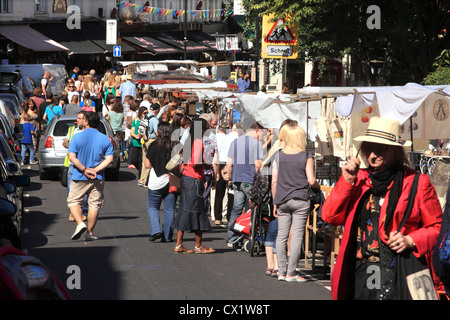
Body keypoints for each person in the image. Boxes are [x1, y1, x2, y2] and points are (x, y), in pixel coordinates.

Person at [321, 116, 443, 300]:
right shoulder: (359, 179)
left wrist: (411, 240)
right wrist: (346, 180)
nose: (372, 155)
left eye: (381, 149)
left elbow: (438, 228)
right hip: (363, 269)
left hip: (402, 269)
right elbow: (329, 216)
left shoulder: (417, 182)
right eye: (368, 148)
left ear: (395, 151)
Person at [271, 124, 319, 282]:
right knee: (297, 236)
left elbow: (274, 181)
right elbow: (311, 180)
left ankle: (281, 272)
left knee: (281, 236)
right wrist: (318, 187)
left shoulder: (279, 156)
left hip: (282, 200)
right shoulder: (306, 156)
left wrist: (274, 202)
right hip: (300, 199)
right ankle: (291, 273)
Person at [67, 112, 114, 241]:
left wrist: (84, 170)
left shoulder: (77, 137)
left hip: (79, 176)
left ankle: (80, 223)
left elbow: (72, 157)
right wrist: (95, 170)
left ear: (86, 122)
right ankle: (90, 232)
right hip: (97, 177)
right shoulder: (105, 139)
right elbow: (109, 159)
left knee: (74, 201)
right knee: (94, 204)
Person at [173, 119, 215, 254]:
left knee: (186, 210)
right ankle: (198, 245)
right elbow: (196, 162)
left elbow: (187, 160)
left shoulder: (188, 141)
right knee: (197, 211)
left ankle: (180, 244)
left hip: (186, 178)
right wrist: (207, 163)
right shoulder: (197, 142)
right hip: (194, 179)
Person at [226, 122, 264, 245]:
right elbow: (258, 164)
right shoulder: (256, 144)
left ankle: (231, 238)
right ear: (257, 130)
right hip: (250, 180)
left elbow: (229, 164)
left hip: (237, 180)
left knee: (236, 209)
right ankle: (248, 236)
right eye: (262, 133)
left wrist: (230, 177)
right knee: (251, 210)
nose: (262, 137)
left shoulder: (235, 142)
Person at [144, 122, 177, 242]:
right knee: (169, 209)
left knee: (153, 207)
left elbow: (147, 165)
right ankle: (167, 236)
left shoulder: (154, 145)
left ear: (159, 132)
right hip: (172, 180)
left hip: (156, 180)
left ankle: (156, 230)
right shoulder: (176, 145)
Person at [63, 111, 88, 222]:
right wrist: (72, 146)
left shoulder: (88, 132)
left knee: (84, 190)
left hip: (84, 165)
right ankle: (73, 212)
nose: (77, 120)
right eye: (77, 118)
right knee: (71, 189)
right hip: (73, 165)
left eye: (79, 118)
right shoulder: (72, 130)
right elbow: (65, 142)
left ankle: (83, 211)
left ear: (85, 120)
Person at [138, 103, 160, 186]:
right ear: (157, 110)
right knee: (151, 161)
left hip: (144, 140)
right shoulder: (154, 119)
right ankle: (147, 181)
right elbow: (157, 132)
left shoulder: (145, 117)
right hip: (151, 140)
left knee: (144, 160)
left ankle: (142, 180)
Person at [129, 107, 147, 177]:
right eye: (144, 113)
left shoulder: (146, 121)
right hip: (136, 142)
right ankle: (141, 171)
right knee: (134, 160)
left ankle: (141, 176)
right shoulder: (136, 121)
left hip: (143, 143)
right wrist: (136, 136)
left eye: (146, 113)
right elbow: (132, 132)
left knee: (141, 161)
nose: (146, 114)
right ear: (140, 113)